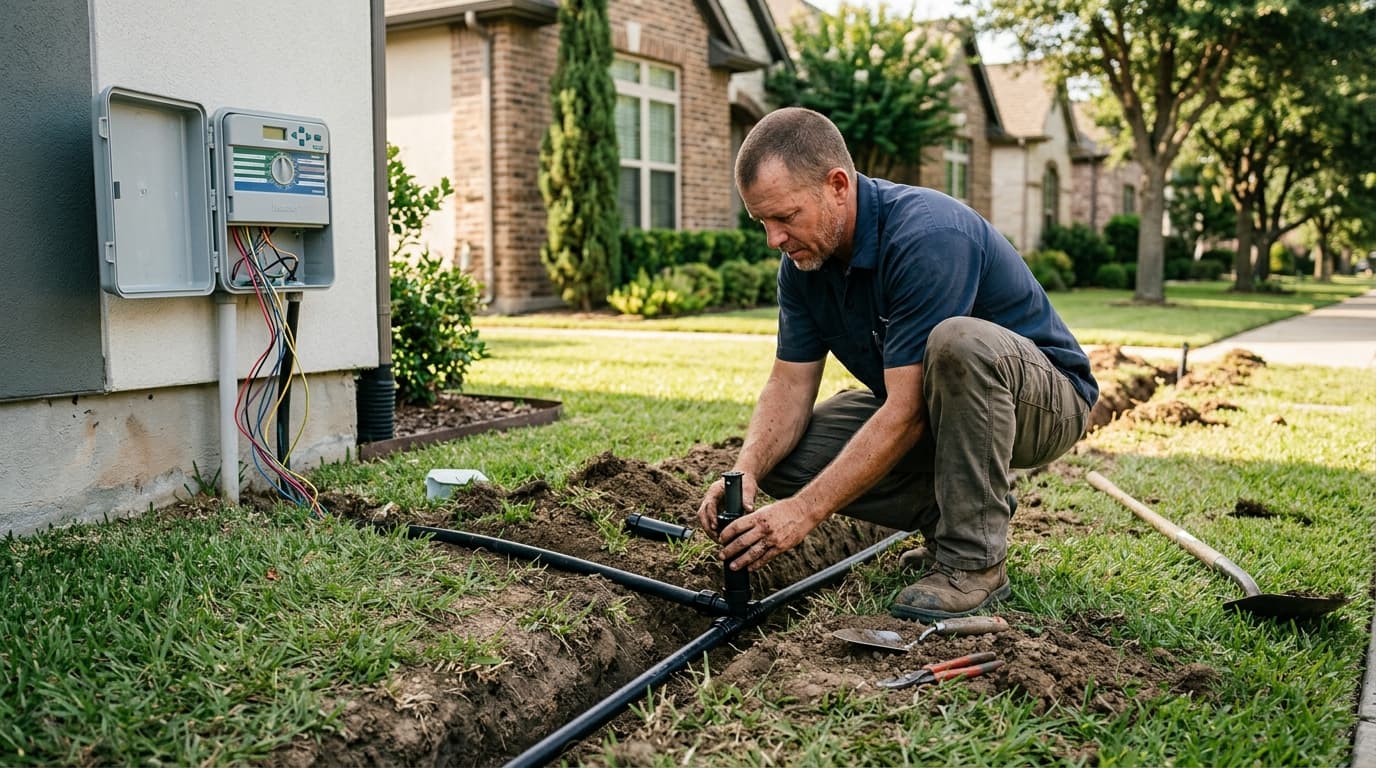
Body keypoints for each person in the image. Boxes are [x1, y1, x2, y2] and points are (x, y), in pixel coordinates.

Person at [696, 108, 1098, 621]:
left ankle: (974, 563)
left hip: (1044, 403)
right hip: (943, 409)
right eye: (762, 222)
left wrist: (805, 513)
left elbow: (906, 411)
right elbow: (789, 383)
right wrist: (744, 471)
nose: (774, 238)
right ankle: (952, 514)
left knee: (958, 342)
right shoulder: (802, 265)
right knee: (787, 458)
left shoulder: (926, 236)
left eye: (786, 217)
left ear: (838, 185)